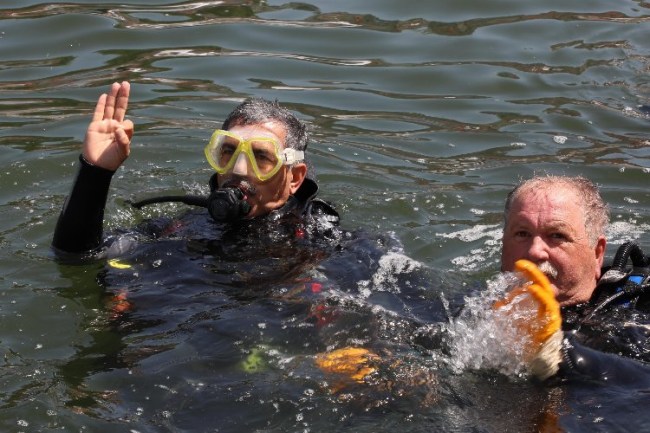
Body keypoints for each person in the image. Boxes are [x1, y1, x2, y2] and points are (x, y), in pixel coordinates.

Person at [52, 81, 340, 256]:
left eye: (261, 156)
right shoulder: (185, 227)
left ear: (295, 178)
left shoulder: (320, 241)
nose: (239, 169)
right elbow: (77, 255)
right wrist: (95, 173)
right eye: (228, 152)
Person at [497, 175, 650, 383]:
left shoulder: (638, 315)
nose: (535, 251)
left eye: (557, 235)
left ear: (597, 253)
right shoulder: (472, 309)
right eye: (522, 234)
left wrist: (559, 352)